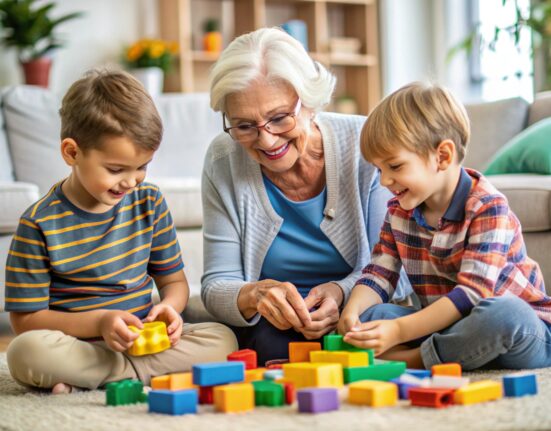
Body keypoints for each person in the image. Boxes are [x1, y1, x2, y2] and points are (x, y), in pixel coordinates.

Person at [4, 69, 237, 394]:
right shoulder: (39, 223)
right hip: (79, 343)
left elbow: (173, 283)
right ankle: (129, 373)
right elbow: (26, 321)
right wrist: (99, 323)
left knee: (223, 339)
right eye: (115, 170)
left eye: (142, 167)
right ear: (72, 152)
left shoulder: (150, 203)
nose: (130, 181)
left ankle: (96, 377)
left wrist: (170, 306)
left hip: (143, 342)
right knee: (25, 353)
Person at [201, 27, 410, 365]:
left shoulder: (365, 144)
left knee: (377, 324)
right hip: (277, 325)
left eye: (280, 118)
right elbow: (216, 285)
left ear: (310, 104)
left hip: (360, 309)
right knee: (268, 346)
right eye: (243, 126)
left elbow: (395, 270)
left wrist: (341, 294)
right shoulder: (223, 159)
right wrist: (255, 295)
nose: (266, 141)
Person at [338, 82, 551, 370]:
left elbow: (472, 295)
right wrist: (351, 312)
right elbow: (379, 274)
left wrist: (400, 332)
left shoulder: (488, 206)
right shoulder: (399, 212)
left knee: (504, 314)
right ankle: (456, 352)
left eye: (395, 166)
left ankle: (417, 359)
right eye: (379, 170)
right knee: (372, 317)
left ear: (443, 156)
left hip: (522, 332)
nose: (385, 181)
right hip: (449, 327)